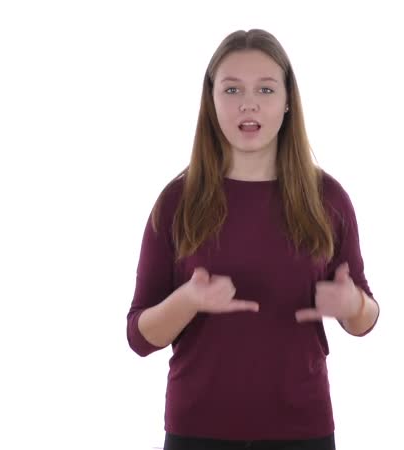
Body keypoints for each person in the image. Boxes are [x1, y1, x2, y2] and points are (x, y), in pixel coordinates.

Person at [126, 29, 380, 450]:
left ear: (287, 100)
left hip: (303, 430)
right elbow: (138, 337)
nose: (249, 103)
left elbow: (366, 318)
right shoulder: (176, 203)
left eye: (265, 88)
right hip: (197, 430)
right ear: (211, 101)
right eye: (232, 89)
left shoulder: (327, 198)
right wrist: (188, 300)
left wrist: (353, 305)